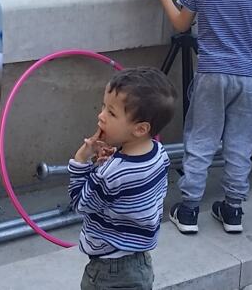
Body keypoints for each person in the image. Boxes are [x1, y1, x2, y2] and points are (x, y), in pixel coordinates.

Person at [142, 0, 252, 235]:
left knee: (201, 140)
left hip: (211, 73)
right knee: (241, 144)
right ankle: (233, 210)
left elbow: (180, 24)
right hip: (246, 78)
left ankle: (188, 211)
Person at [69, 67, 177, 290]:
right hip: (140, 262)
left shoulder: (113, 174)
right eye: (103, 107)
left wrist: (81, 160)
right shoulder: (159, 152)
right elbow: (131, 191)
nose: (101, 115)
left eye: (111, 112)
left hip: (109, 270)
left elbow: (80, 204)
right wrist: (111, 162)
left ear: (140, 129)